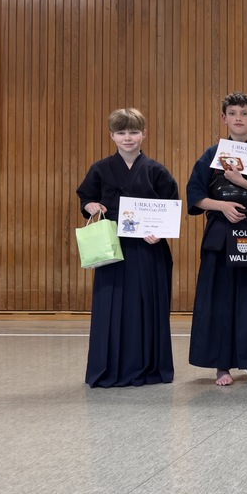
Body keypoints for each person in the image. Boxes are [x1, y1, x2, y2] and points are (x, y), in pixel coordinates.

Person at [187, 92, 247, 386]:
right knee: (219, 298)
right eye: (232, 113)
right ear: (224, 118)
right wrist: (222, 206)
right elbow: (195, 195)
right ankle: (222, 366)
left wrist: (242, 182)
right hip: (220, 233)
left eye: (244, 113)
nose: (238, 118)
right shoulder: (210, 155)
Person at [77, 108, 179, 388]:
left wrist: (159, 233)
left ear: (144, 133)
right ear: (112, 135)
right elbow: (86, 197)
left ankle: (150, 368)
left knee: (147, 306)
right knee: (111, 307)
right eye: (121, 132)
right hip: (113, 248)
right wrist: (91, 205)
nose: (128, 138)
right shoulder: (100, 169)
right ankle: (109, 369)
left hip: (148, 249)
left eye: (133, 132)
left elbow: (170, 208)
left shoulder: (157, 170)